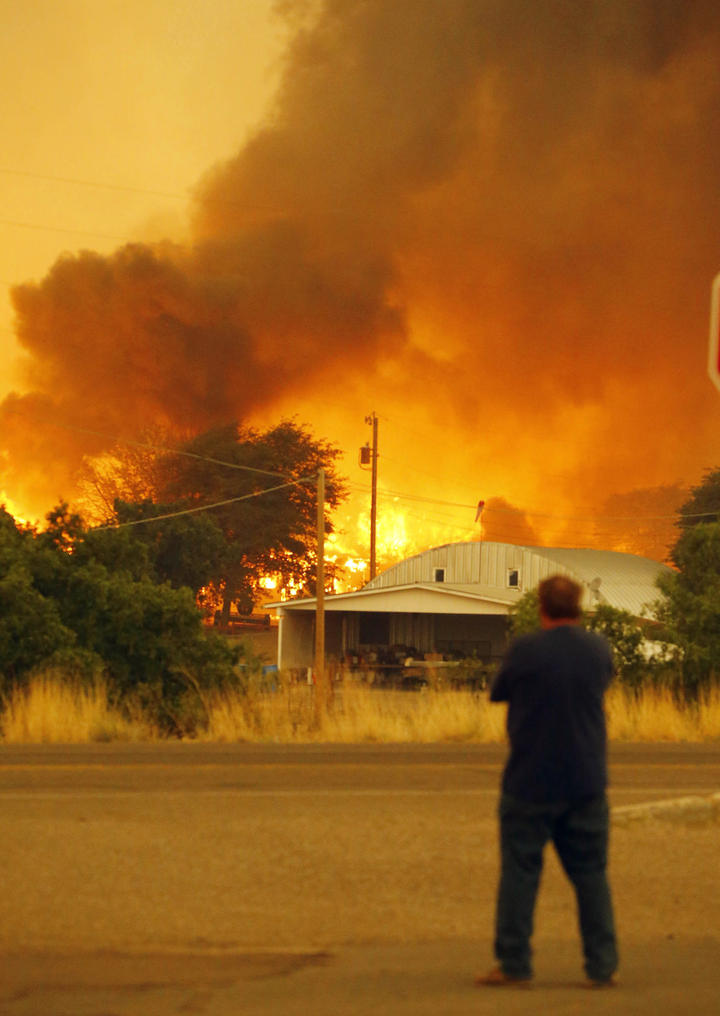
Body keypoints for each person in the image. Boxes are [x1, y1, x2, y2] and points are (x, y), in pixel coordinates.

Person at [476, 574, 619, 989]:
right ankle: (602, 965)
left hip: (529, 782)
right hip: (586, 781)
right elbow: (604, 679)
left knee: (520, 875)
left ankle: (514, 963)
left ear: (541, 607)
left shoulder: (526, 650)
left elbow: (497, 693)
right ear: (578, 607)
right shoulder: (597, 649)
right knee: (591, 874)